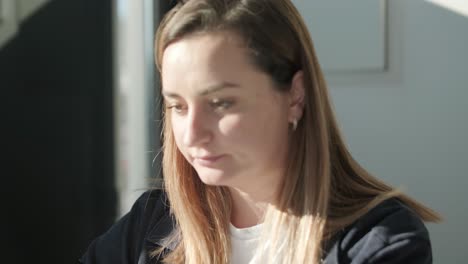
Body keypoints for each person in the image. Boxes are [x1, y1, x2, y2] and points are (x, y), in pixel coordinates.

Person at [79, 0, 442, 263]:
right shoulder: (152, 225)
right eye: (178, 105)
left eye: (221, 102)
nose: (191, 134)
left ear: (295, 96)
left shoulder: (378, 241)